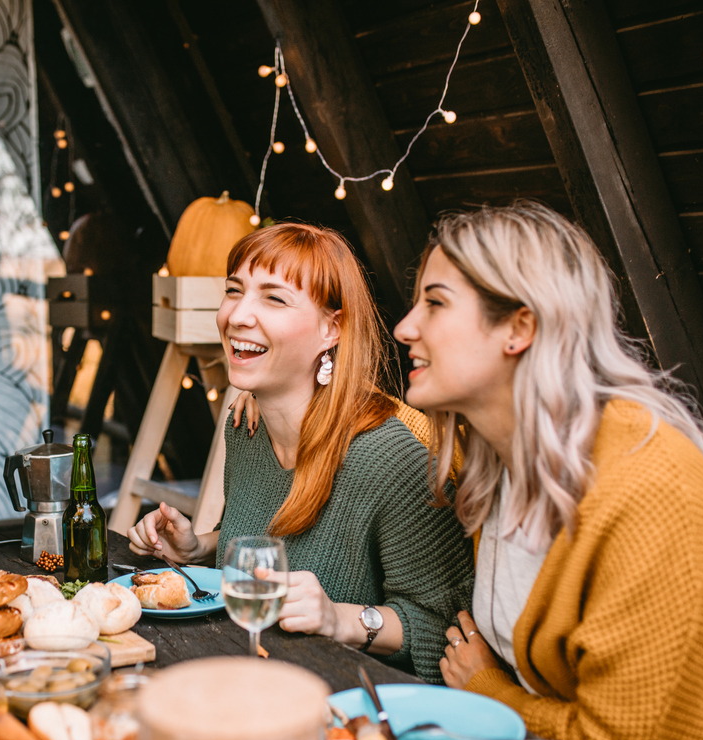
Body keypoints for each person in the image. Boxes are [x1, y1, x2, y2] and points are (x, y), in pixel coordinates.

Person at [394, 201, 703, 740]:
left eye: (435, 303)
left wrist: (493, 696)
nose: (404, 327)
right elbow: (369, 420)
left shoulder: (651, 485)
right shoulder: (497, 460)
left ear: (519, 327)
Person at [128, 222, 474, 681]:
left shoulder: (392, 460)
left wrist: (339, 620)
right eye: (235, 290)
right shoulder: (244, 429)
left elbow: (444, 630)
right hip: (250, 678)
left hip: (352, 710)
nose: (237, 315)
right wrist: (198, 549)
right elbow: (269, 551)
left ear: (332, 329)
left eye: (274, 298)